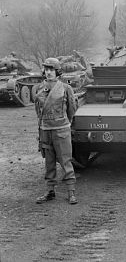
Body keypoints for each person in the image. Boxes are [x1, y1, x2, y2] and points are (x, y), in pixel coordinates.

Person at [34, 57, 78, 205]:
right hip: (46, 129)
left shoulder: (66, 88)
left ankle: (71, 192)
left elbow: (72, 109)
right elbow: (38, 111)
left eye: (52, 70)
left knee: (66, 161)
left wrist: (65, 123)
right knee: (49, 162)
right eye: (46, 69)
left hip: (61, 129)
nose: (49, 72)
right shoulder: (39, 88)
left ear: (57, 71)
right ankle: (50, 191)